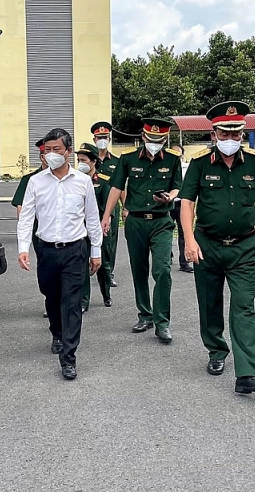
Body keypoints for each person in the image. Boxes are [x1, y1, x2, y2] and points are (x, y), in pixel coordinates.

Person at [180, 102, 255, 394]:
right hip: (207, 245)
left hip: (245, 247)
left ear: (243, 134)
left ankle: (247, 374)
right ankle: (217, 350)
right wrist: (189, 240)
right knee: (210, 304)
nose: (231, 140)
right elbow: (186, 203)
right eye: (225, 133)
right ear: (214, 134)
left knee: (244, 307)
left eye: (237, 134)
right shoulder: (199, 164)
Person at [18, 129, 102, 380]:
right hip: (46, 249)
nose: (51, 154)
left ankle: (68, 356)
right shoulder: (36, 182)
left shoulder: (82, 181)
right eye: (48, 150)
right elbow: (26, 218)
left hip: (75, 249)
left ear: (68, 151)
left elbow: (92, 218)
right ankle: (56, 331)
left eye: (57, 149)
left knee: (72, 303)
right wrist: (23, 248)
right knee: (52, 298)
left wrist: (95, 251)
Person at [102, 117, 182, 344]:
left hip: (161, 222)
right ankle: (145, 314)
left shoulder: (174, 160)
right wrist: (106, 216)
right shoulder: (127, 158)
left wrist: (170, 196)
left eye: (159, 140)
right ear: (143, 137)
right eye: (150, 139)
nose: (154, 143)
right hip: (135, 221)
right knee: (139, 270)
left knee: (162, 271)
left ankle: (162, 322)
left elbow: (178, 187)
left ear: (165, 139)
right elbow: (117, 187)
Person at [12, 139, 51, 318]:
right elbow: (21, 207)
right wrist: (24, 235)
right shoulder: (31, 179)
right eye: (44, 154)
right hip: (40, 231)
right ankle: (50, 299)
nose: (47, 158)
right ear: (40, 156)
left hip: (67, 233)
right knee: (46, 267)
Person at [77, 143, 112, 310]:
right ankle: (84, 301)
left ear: (93, 162)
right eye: (78, 160)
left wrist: (106, 222)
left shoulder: (103, 182)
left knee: (102, 264)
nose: (80, 163)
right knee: (82, 264)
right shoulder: (76, 180)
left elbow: (108, 207)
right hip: (80, 229)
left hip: (99, 227)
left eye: (83, 160)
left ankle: (106, 294)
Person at [92, 122, 122, 288]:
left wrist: (125, 208)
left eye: (105, 137)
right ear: (94, 139)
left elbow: (121, 186)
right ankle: (90, 268)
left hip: (110, 208)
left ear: (109, 139)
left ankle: (108, 272)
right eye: (99, 137)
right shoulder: (88, 159)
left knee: (109, 240)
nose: (102, 140)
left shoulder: (117, 162)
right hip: (91, 206)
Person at [169, 143, 194, 273]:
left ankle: (184, 263)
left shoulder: (186, 168)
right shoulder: (165, 167)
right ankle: (166, 257)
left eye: (178, 153)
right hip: (167, 204)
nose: (176, 156)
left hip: (181, 204)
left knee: (183, 233)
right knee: (166, 232)